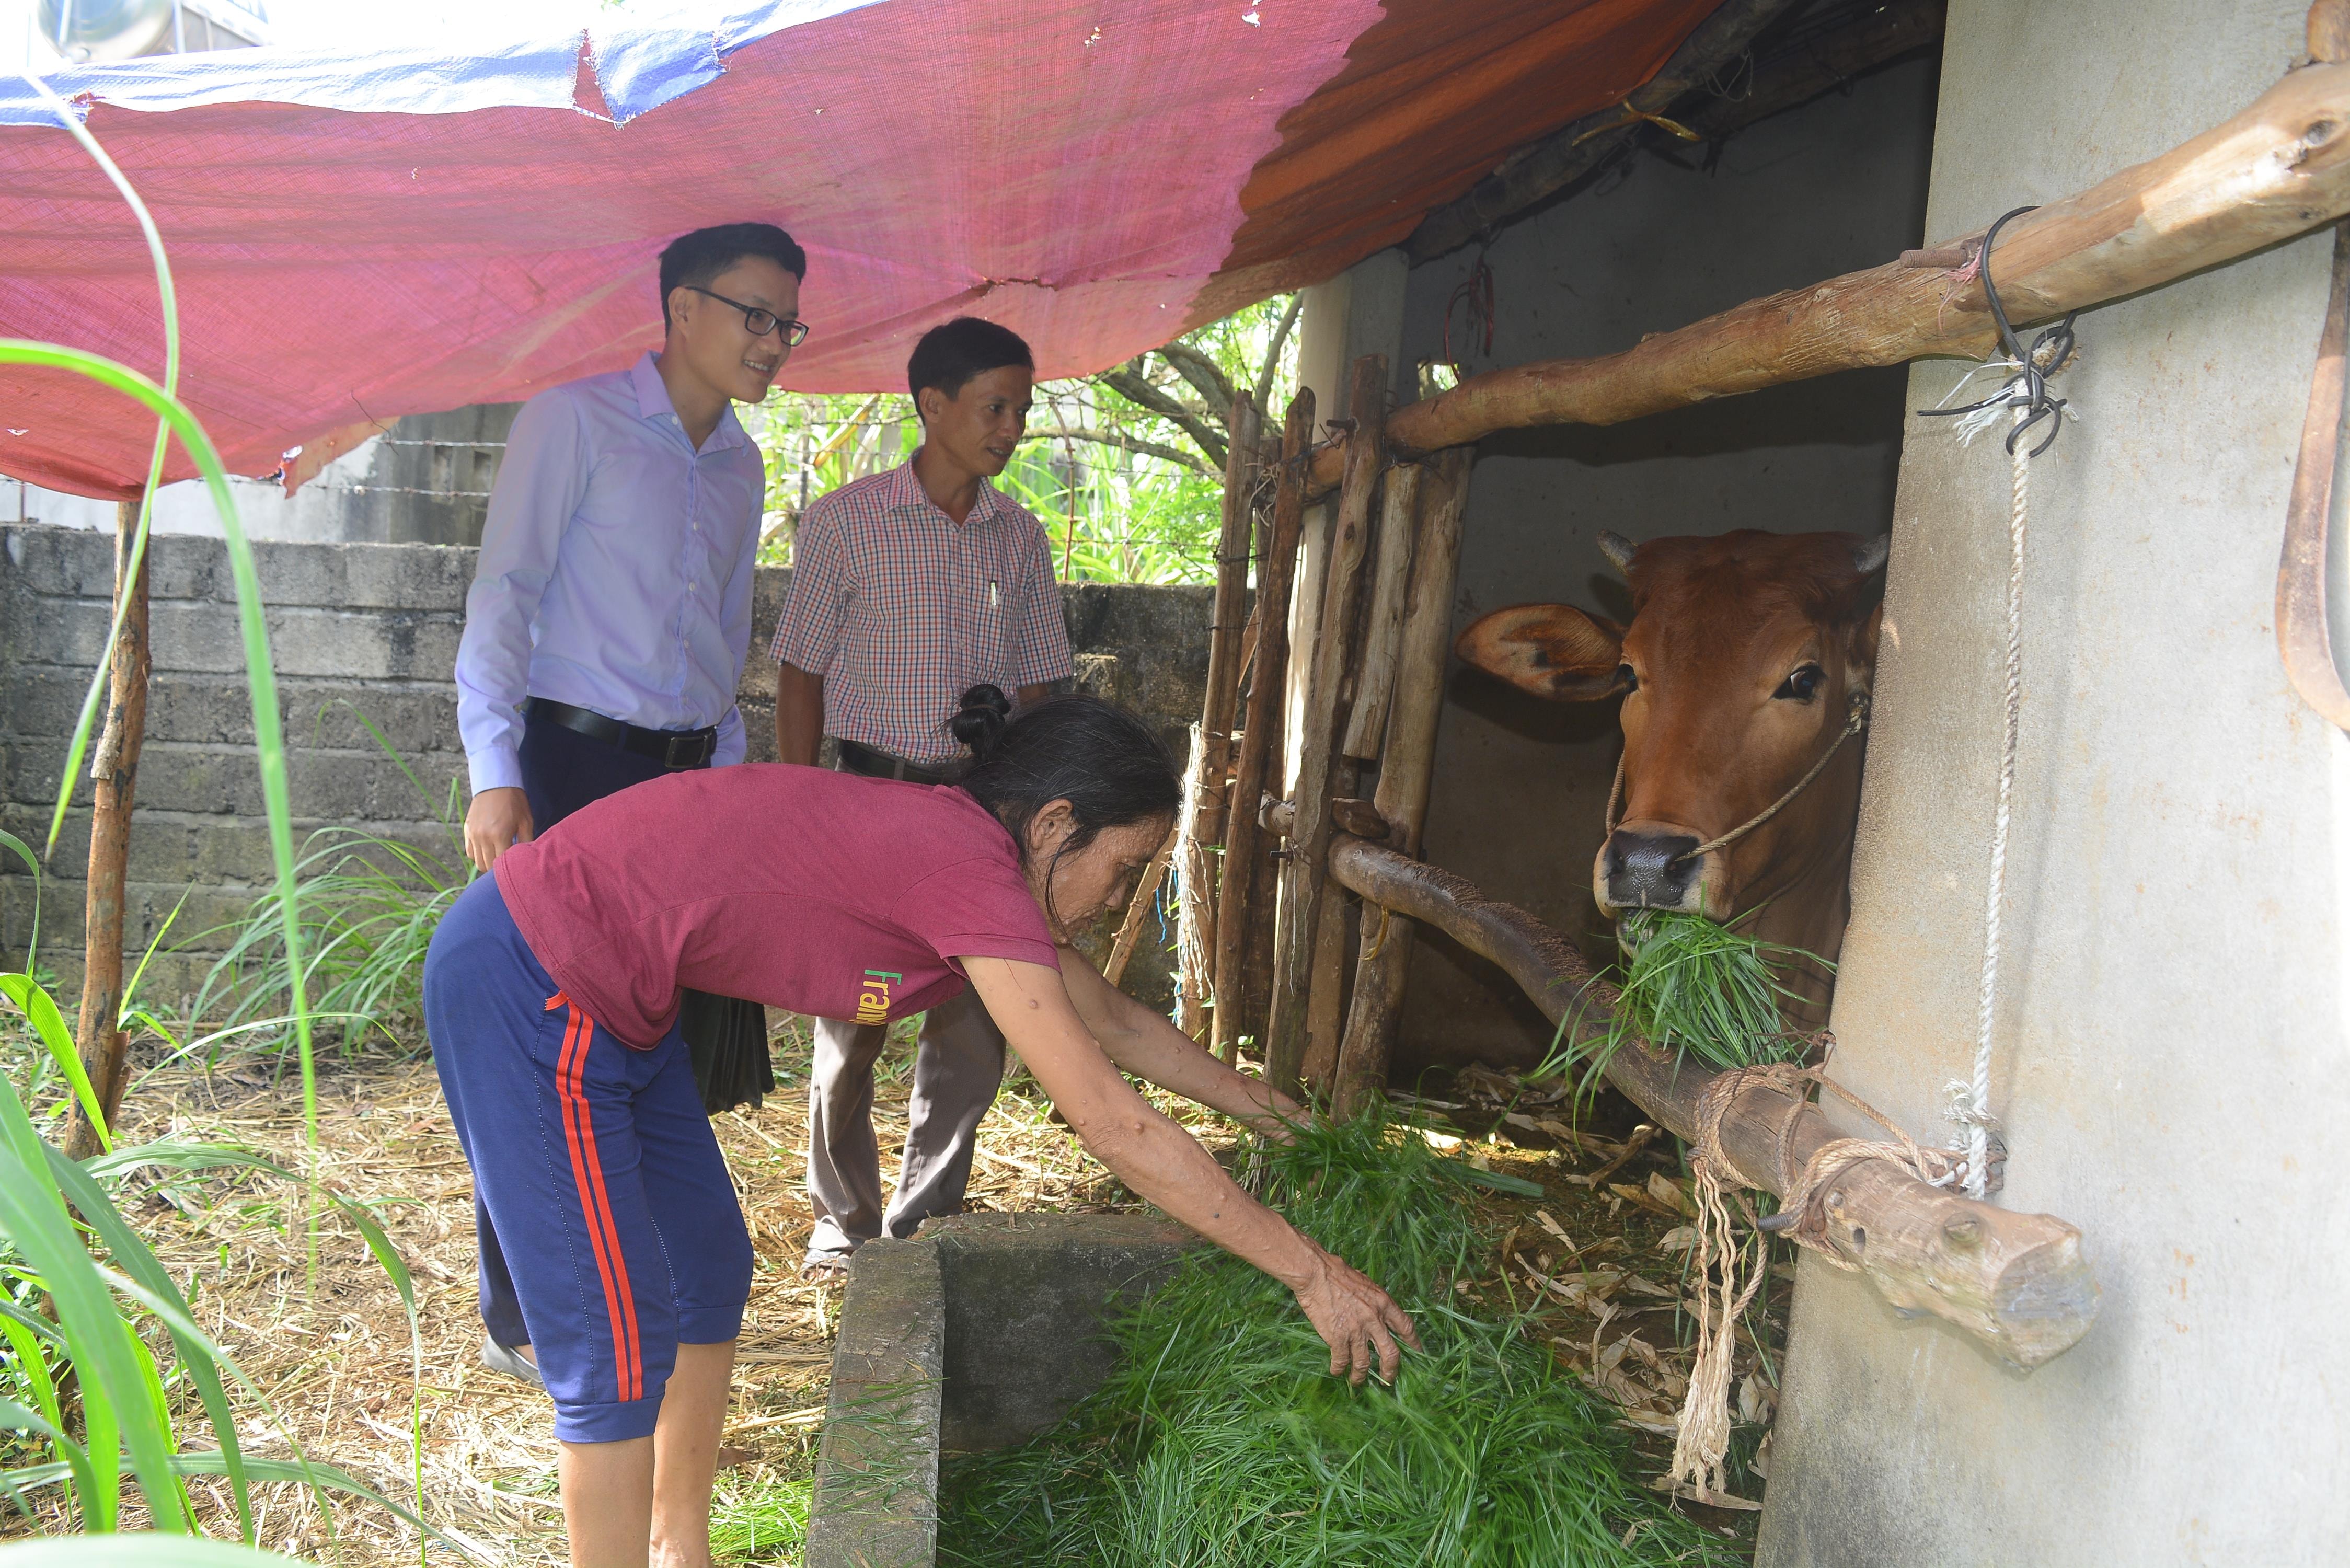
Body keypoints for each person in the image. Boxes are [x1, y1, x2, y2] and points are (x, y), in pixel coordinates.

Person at [423, 687, 1418, 1568]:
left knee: (710, 1269)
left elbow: (1119, 1025)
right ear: (1054, 823)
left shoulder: (982, 866)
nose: (1120, 900)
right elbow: (1115, 1126)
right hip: (534, 979)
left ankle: (680, 1546)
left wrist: (1291, 1125)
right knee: (616, 1340)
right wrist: (1312, 1274)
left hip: (620, 1006)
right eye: (1122, 868)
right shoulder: (966, 870)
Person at [451, 221, 808, 1385]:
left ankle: (636, 1266)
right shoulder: (577, 421)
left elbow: (724, 639)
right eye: (755, 314)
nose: (773, 341)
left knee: (646, 1034)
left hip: (684, 777)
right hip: (568, 765)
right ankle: (523, 1312)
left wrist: (731, 778)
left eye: (786, 323)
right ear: (683, 309)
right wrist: (494, 773)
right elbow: (502, 598)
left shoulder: (742, 464)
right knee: (537, 1030)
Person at [768, 317, 1075, 1274]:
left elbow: (1040, 686)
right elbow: (801, 672)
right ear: (931, 405)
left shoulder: (1017, 538)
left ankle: (930, 1214)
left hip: (977, 810)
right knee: (855, 1013)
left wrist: (1022, 771)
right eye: (996, 406)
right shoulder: (846, 523)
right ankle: (842, 1215)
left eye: (1023, 408)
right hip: (869, 801)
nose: (1013, 427)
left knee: (974, 1024)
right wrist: (800, 797)